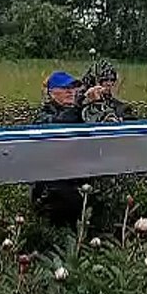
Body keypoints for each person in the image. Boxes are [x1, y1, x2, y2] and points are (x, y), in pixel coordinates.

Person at [30, 71, 90, 229]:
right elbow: (59, 125)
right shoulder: (43, 116)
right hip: (50, 188)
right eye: (65, 88)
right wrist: (79, 106)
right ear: (51, 93)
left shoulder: (80, 114)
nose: (71, 92)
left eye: (73, 88)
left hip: (76, 182)